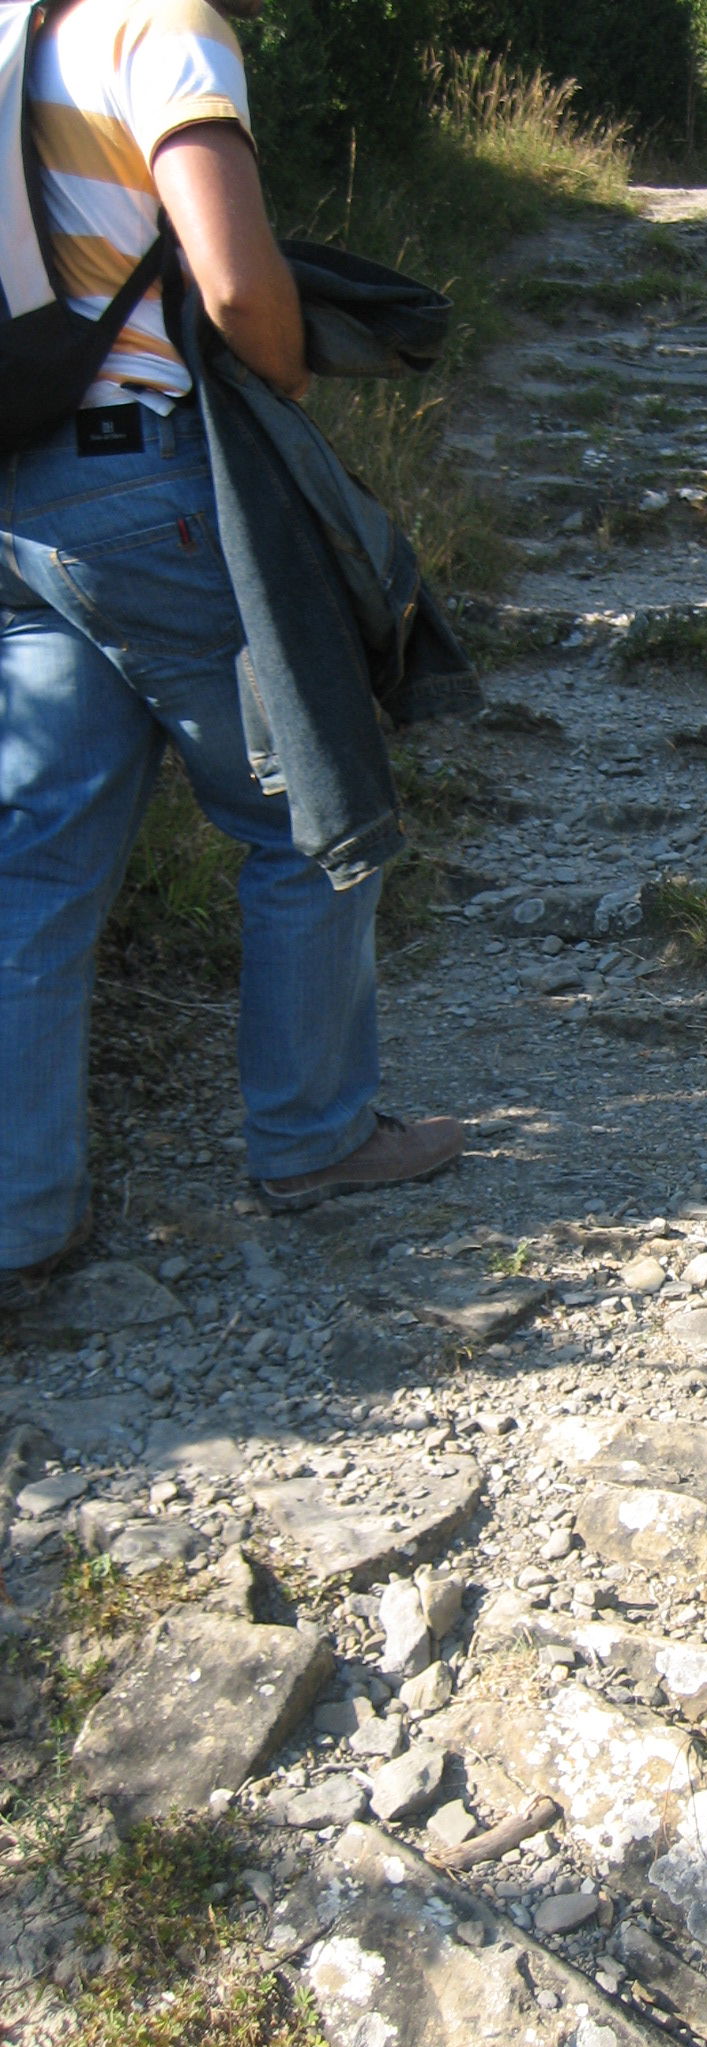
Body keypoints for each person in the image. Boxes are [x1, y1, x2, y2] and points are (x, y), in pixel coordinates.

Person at [0, 0, 464, 1311]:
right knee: (302, 816)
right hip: (153, 484)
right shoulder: (165, 27)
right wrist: (286, 378)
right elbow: (241, 284)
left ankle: (18, 1218)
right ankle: (315, 1140)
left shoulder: (13, 39)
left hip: (22, 497)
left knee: (33, 862)